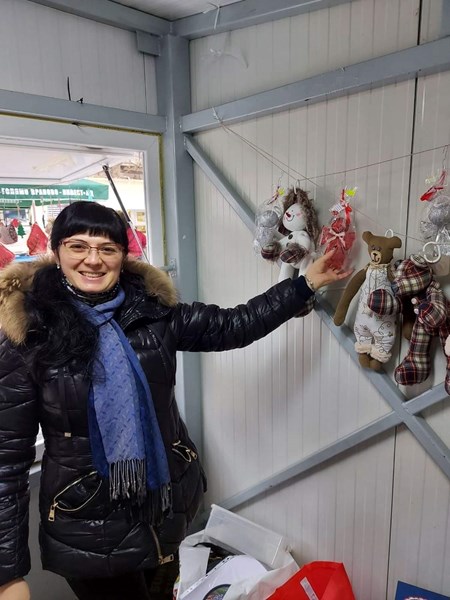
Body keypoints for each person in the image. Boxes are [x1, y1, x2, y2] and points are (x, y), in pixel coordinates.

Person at [0, 201, 350, 600]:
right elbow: (7, 460)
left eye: (107, 249)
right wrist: (8, 573)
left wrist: (304, 285)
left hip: (164, 506)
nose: (93, 260)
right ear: (57, 250)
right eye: (78, 246)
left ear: (123, 255)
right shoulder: (29, 333)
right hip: (87, 526)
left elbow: (232, 326)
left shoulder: (152, 312)